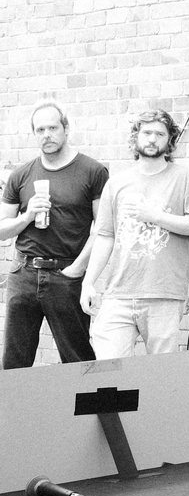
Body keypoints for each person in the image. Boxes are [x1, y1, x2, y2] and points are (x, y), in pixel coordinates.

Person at [82, 108, 189, 358]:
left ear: (169, 140)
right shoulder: (117, 183)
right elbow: (105, 236)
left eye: (160, 134)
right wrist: (88, 282)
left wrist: (154, 216)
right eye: (147, 132)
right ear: (135, 137)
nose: (152, 139)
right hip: (119, 292)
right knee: (109, 366)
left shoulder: (184, 178)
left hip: (164, 294)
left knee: (161, 373)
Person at [1, 101, 111, 367]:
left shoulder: (93, 172)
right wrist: (27, 216)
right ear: (34, 134)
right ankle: (15, 398)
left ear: (66, 128)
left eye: (52, 128)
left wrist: (77, 269)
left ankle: (87, 398)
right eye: (40, 130)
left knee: (78, 361)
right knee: (15, 361)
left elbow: (104, 229)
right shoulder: (21, 175)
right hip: (24, 274)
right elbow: (2, 230)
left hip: (67, 274)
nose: (46, 135)